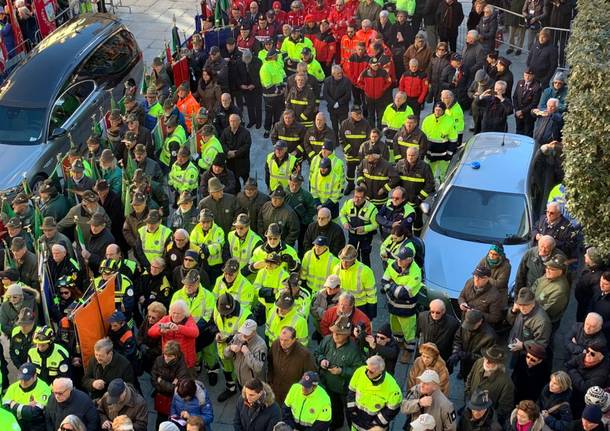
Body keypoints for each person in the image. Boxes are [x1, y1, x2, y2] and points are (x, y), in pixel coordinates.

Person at [315, 316, 365, 429]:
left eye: (339, 333)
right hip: (328, 385)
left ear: (347, 335)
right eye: (334, 332)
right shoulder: (327, 340)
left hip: (345, 390)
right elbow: (318, 352)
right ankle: (336, 424)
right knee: (334, 408)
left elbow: (359, 370)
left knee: (350, 412)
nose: (335, 335)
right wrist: (321, 360)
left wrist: (342, 371)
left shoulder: (354, 349)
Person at [381, 246, 422, 363]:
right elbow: (384, 281)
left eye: (402, 259)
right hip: (393, 305)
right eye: (398, 258)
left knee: (409, 332)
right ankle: (398, 343)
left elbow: (403, 293)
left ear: (409, 259)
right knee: (395, 328)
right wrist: (395, 288)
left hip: (406, 309)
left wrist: (391, 287)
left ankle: (408, 351)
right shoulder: (394, 265)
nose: (398, 261)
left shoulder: (415, 272)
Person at [347, 355, 402, 430]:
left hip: (374, 427)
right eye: (367, 369)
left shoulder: (392, 388)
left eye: (371, 372)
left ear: (380, 371)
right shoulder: (360, 372)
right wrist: (352, 411)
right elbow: (351, 392)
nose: (367, 374)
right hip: (356, 422)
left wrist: (376, 423)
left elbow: (392, 410)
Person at [465, 346, 514, 424]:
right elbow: (469, 379)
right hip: (470, 406)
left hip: (485, 418)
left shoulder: (507, 383)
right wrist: (467, 397)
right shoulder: (479, 362)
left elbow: (504, 408)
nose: (486, 362)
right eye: (486, 358)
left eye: (491, 361)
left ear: (498, 363)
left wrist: (488, 418)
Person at [448, 309, 497, 379]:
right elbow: (458, 339)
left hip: (477, 367)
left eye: (471, 325)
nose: (468, 328)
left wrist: (465, 355)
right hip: (464, 362)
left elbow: (486, 357)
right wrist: (456, 352)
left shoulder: (490, 336)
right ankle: (462, 373)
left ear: (480, 322)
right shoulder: (465, 326)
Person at [3, 362, 50, 431]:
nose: (23, 382)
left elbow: (35, 413)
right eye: (21, 378)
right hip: (17, 424)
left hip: (36, 426)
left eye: (27, 379)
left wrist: (14, 405)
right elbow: (5, 408)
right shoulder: (13, 387)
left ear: (35, 376)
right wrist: (27, 408)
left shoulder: (44, 388)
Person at [151, 341, 191, 423]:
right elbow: (153, 380)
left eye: (169, 356)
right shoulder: (159, 360)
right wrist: (171, 385)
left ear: (176, 356)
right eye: (165, 354)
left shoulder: (182, 368)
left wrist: (161, 381)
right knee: (160, 420)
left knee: (175, 420)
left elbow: (178, 389)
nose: (166, 358)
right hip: (162, 398)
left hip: (175, 399)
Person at [565, 344, 610, 416]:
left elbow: (585, 388)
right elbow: (567, 365)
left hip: (582, 401)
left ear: (601, 357)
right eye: (588, 351)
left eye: (592, 354)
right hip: (570, 390)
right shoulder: (583, 356)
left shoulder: (602, 373)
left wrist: (572, 371)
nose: (588, 354)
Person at [507, 288, 553, 358]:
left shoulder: (542, 321)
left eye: (526, 305)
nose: (522, 308)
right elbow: (510, 322)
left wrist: (523, 345)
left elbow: (541, 343)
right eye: (520, 304)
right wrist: (513, 311)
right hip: (514, 344)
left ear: (533, 303)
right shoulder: (519, 309)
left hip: (526, 353)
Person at [339, 186, 379, 267]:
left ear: (365, 198)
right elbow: (342, 214)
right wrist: (345, 223)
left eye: (360, 198)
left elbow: (376, 224)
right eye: (356, 196)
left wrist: (364, 228)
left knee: (365, 256)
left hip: (366, 237)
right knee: (351, 256)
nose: (357, 200)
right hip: (352, 234)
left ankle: (366, 274)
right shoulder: (348, 203)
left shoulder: (372, 208)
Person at [224, 319, 267, 387]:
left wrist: (247, 353)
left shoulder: (260, 345)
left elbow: (258, 368)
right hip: (240, 379)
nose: (243, 334)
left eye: (246, 332)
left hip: (253, 384)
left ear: (254, 332)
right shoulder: (237, 337)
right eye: (243, 331)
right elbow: (226, 356)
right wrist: (230, 348)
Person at [575, 248, 608, 323]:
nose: (584, 255)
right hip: (581, 303)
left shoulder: (597, 277)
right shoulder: (589, 267)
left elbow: (594, 299)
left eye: (587, 255)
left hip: (584, 308)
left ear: (593, 260)